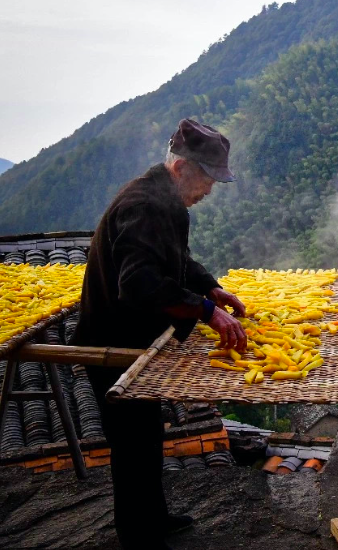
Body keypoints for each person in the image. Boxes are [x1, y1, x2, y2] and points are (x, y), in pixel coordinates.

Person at [74, 119, 248, 549]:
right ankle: (137, 536)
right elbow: (139, 285)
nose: (209, 190)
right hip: (111, 344)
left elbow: (176, 260)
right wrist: (207, 312)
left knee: (148, 434)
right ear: (182, 168)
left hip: (139, 343)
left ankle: (152, 517)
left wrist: (209, 287)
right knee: (131, 443)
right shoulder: (145, 206)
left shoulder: (168, 204)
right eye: (207, 179)